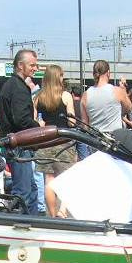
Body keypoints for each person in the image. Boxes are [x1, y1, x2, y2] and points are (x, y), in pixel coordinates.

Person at [0, 49, 41, 214]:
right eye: (32, 65)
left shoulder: (11, 85)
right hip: (19, 145)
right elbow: (21, 120)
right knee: (23, 191)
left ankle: (32, 222)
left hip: (15, 144)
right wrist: (39, 128)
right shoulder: (18, 87)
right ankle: (21, 224)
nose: (35, 68)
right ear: (20, 65)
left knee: (30, 188)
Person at [32, 64, 76, 217]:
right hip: (64, 141)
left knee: (49, 180)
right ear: (58, 77)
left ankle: (51, 214)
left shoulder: (38, 97)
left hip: (45, 142)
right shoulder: (66, 96)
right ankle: (62, 210)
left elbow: (34, 122)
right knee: (68, 178)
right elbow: (72, 122)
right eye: (62, 75)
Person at [81, 59, 131, 137]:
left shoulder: (85, 95)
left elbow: (85, 124)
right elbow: (128, 108)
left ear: (93, 74)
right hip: (115, 140)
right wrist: (123, 88)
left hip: (95, 141)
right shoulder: (117, 91)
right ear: (108, 73)